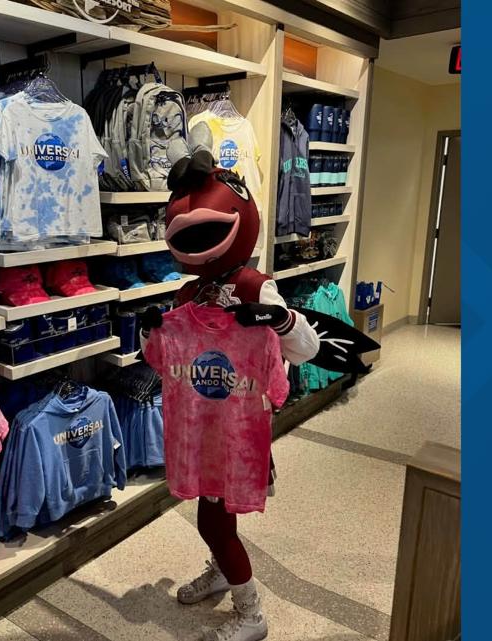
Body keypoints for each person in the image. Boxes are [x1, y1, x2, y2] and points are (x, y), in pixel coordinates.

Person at [138, 148, 321, 641]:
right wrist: (150, 331)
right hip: (199, 430)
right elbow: (160, 358)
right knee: (213, 517)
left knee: (213, 523)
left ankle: (251, 613)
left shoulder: (255, 287)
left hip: (238, 434)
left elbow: (307, 350)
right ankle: (223, 570)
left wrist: (279, 320)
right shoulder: (187, 295)